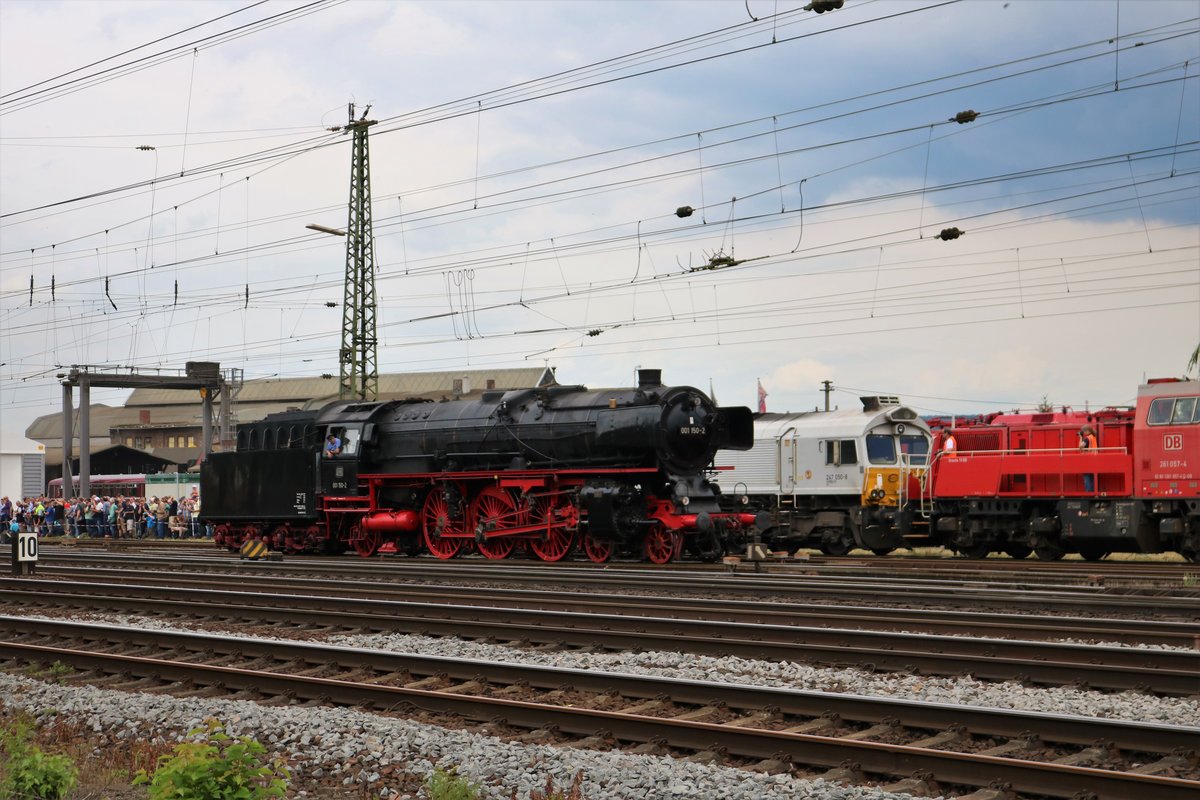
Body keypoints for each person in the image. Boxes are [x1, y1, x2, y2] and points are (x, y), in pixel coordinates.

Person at [1079, 425, 1098, 492]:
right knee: (1091, 476)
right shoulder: (1093, 437)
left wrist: (1081, 437)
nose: (1083, 433)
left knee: (1086, 476)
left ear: (1087, 431)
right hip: (1094, 459)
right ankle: (1092, 491)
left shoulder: (1087, 438)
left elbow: (1080, 446)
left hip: (1087, 459)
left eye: (1083, 431)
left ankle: (1088, 492)